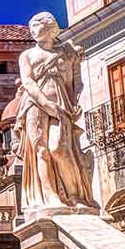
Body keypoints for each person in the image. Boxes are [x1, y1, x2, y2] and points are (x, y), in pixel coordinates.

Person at [15, 12, 92, 212]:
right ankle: (51, 196)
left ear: (50, 27)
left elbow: (76, 81)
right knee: (41, 150)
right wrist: (46, 104)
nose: (32, 30)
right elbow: (28, 82)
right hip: (34, 104)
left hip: (61, 104)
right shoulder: (27, 56)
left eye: (36, 25)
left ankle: (75, 196)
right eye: (31, 27)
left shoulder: (66, 52)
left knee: (59, 148)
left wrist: (74, 101)